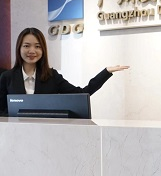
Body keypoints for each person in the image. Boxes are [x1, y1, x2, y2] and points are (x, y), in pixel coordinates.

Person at [0, 27, 129, 116]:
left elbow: (82, 94)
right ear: (19, 48)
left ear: (43, 49)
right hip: (15, 136)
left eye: (37, 46)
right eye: (26, 46)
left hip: (46, 135)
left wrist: (106, 72)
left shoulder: (52, 76)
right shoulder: (6, 77)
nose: (32, 51)